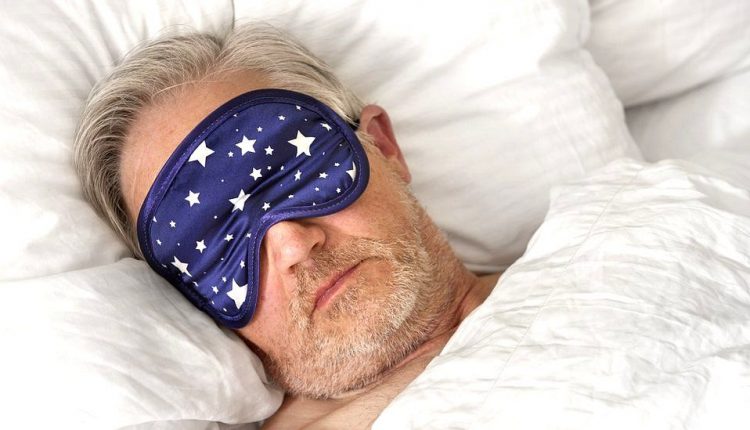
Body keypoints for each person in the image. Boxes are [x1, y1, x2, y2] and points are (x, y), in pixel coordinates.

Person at [73, 22, 500, 429]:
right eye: (217, 242)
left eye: (296, 172)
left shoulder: (547, 262)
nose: (293, 244)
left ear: (385, 147)